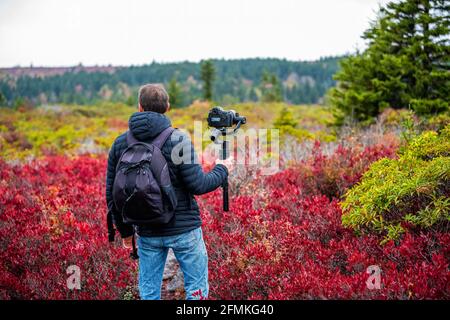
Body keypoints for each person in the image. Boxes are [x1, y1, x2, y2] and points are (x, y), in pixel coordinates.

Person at [106, 83, 233, 300]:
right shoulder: (177, 139)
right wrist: (222, 169)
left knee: (149, 293)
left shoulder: (120, 143)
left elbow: (112, 195)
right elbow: (198, 185)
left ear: (139, 107)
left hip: (147, 232)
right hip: (185, 230)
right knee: (196, 290)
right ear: (167, 106)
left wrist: (126, 233)